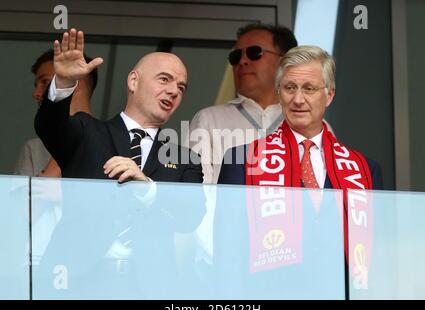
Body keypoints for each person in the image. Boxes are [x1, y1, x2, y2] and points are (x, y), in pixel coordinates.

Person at [35, 28, 202, 183]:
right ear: (133, 81)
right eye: (164, 79)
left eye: (181, 88)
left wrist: (148, 190)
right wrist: (64, 81)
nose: (174, 91)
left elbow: (190, 212)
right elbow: (49, 126)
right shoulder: (86, 133)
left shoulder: (186, 160)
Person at [218, 45, 383, 190]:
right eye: (290, 88)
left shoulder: (365, 171)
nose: (297, 100)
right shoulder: (240, 162)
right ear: (279, 94)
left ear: (329, 95)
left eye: (309, 88)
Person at [14, 49, 97, 177]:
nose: (35, 93)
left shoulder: (111, 139)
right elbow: (22, 196)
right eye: (36, 85)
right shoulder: (34, 149)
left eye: (45, 82)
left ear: (74, 79)